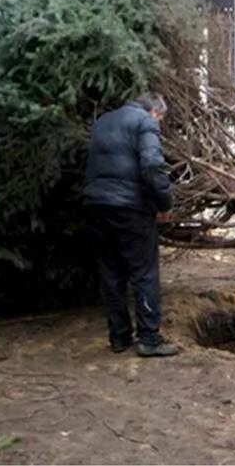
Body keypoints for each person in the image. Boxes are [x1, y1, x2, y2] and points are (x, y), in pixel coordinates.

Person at [84, 92, 180, 357]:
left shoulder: (103, 121)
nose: (159, 125)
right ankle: (149, 339)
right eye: (160, 119)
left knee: (112, 273)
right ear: (154, 112)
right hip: (130, 208)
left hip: (95, 205)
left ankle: (119, 337)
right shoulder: (145, 123)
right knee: (144, 272)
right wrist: (164, 204)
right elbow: (151, 166)